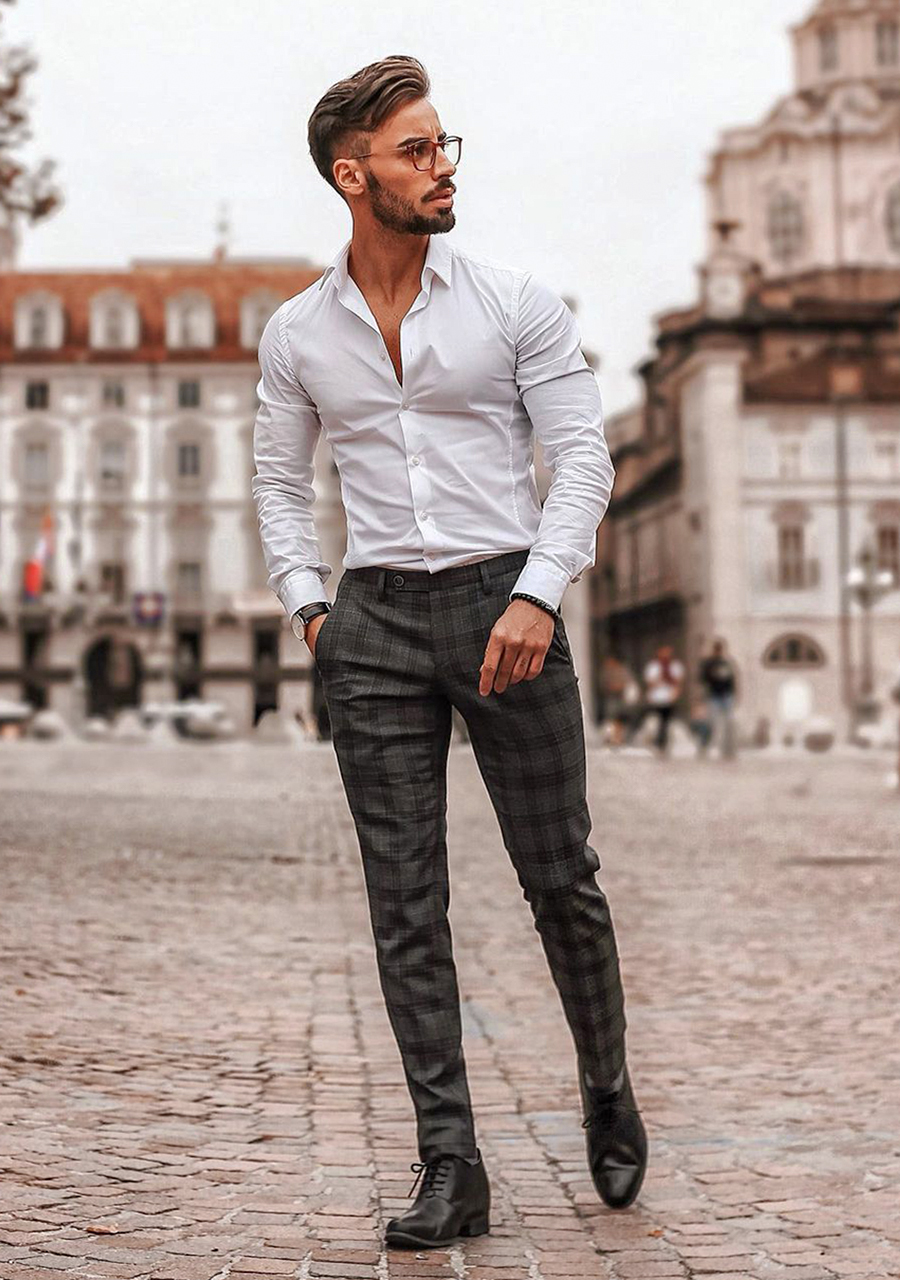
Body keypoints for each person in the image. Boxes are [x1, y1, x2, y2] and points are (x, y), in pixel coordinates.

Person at [251, 55, 647, 1249]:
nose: (443, 167)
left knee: (558, 877)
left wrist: (537, 592)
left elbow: (583, 458)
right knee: (403, 901)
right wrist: (313, 609)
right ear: (351, 171)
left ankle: (607, 1082)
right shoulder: (297, 331)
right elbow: (279, 481)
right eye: (417, 151)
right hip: (371, 623)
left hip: (503, 604)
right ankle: (450, 1161)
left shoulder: (514, 300)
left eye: (444, 145)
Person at [698, 639, 738, 760]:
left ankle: (728, 748)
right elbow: (702, 678)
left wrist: (735, 693)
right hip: (714, 695)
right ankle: (705, 745)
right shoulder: (708, 663)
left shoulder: (727, 662)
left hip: (726, 695)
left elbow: (733, 679)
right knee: (711, 722)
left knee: (729, 722)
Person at [642, 645, 684, 755]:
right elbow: (650, 683)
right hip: (656, 699)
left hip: (669, 698)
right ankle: (654, 742)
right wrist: (660, 679)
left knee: (665, 722)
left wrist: (675, 694)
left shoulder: (675, 666)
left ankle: (662, 744)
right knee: (655, 721)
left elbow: (678, 682)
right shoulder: (653, 666)